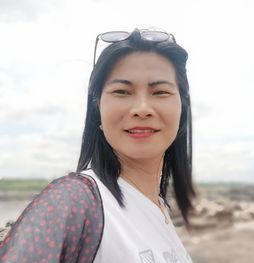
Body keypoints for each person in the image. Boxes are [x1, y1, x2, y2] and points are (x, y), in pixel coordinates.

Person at [0, 28, 196, 262]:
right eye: (122, 91)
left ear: (182, 109)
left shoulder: (159, 207)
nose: (142, 108)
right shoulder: (73, 200)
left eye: (160, 91)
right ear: (98, 111)